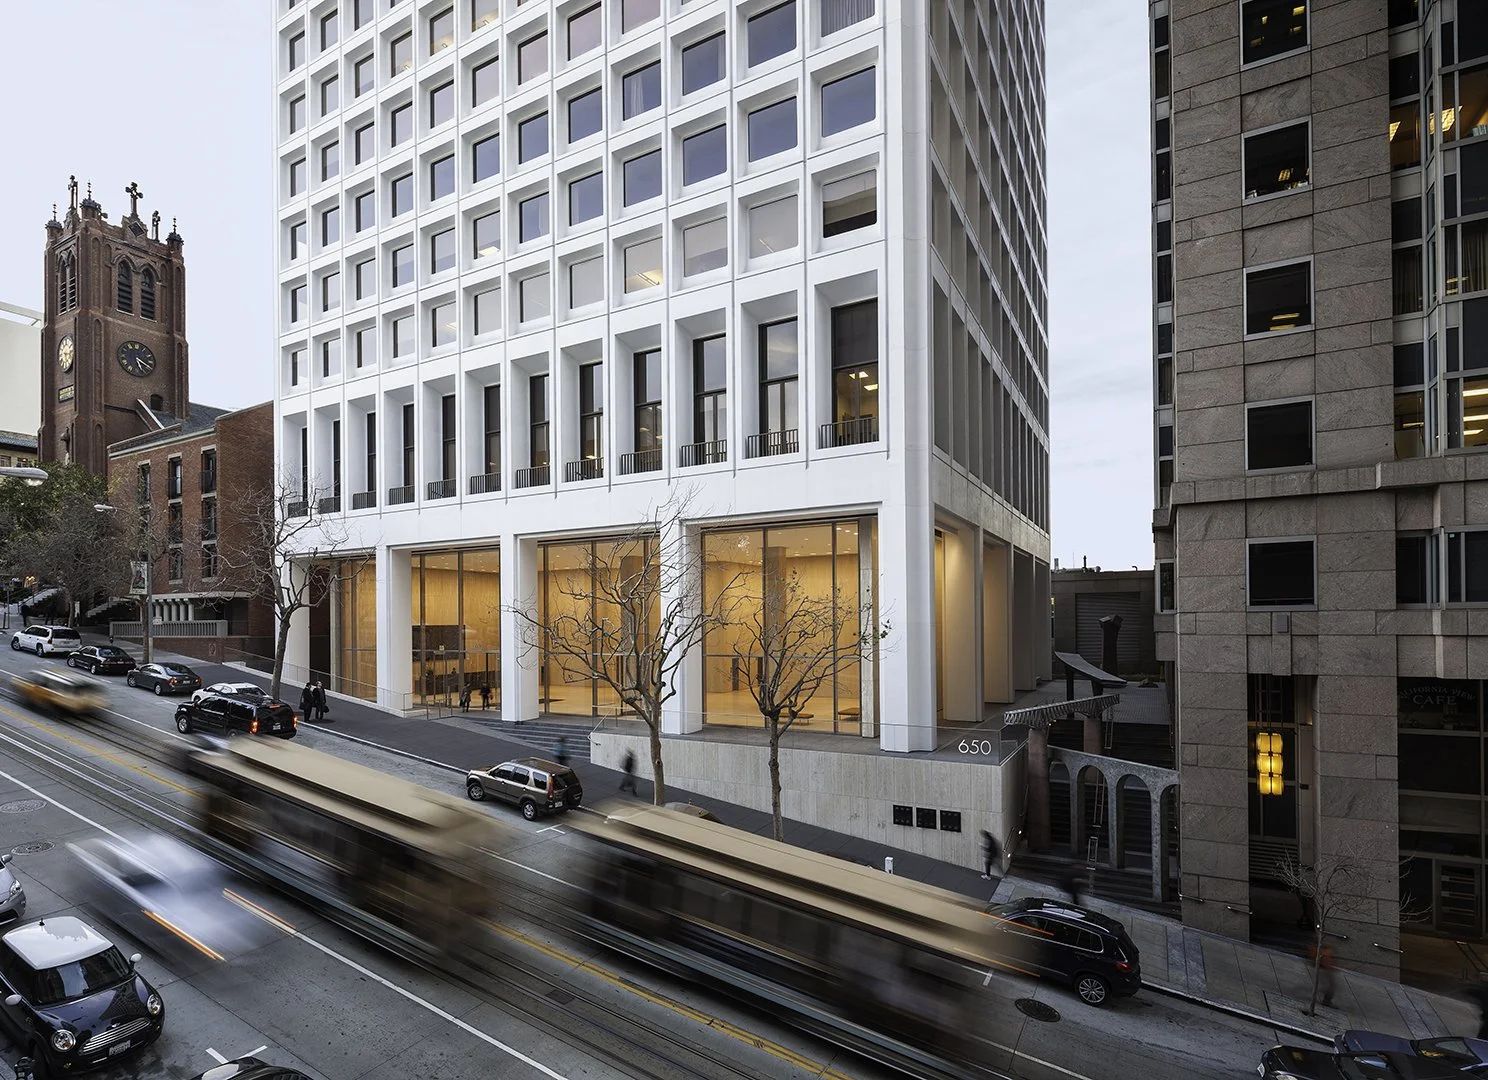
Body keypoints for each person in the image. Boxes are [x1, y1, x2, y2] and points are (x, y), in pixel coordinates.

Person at [1311, 941, 1337, 1008]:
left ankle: (1326, 1000)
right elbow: (1326, 962)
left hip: (1324, 969)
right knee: (1330, 986)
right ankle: (1326, 1001)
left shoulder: (1325, 951)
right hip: (1323, 969)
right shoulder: (1325, 952)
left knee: (1329, 985)